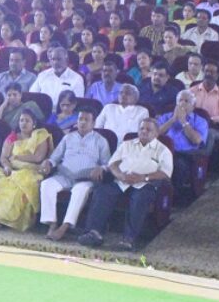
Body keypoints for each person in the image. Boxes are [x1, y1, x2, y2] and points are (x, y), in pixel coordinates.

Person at [77, 117, 173, 251]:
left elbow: (165, 173)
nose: (144, 131)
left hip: (145, 183)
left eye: (148, 129)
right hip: (121, 181)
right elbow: (112, 164)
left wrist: (144, 177)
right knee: (102, 191)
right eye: (141, 128)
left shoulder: (163, 150)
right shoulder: (127, 144)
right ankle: (94, 233)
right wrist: (120, 175)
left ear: (156, 133)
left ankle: (128, 239)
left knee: (140, 198)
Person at [37, 110, 110, 240]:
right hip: (64, 175)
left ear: (93, 123)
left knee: (79, 191)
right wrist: (48, 163)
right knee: (46, 184)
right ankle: (52, 224)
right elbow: (54, 158)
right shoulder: (68, 137)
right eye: (80, 119)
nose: (82, 122)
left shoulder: (100, 140)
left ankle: (64, 226)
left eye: (86, 120)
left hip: (85, 178)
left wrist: (101, 168)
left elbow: (107, 164)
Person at [0, 109, 52, 231]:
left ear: (34, 123)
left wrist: (18, 157)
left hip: (31, 171)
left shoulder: (40, 136)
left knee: (16, 188)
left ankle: (11, 220)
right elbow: (3, 157)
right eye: (21, 120)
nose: (23, 123)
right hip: (11, 169)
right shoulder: (12, 137)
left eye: (27, 121)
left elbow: (38, 157)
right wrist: (7, 167)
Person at [157, 89, 209, 197]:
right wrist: (173, 120)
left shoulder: (200, 121)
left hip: (184, 155)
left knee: (178, 166)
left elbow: (197, 140)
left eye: (186, 101)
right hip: (161, 151)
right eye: (180, 100)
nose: (182, 104)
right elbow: (155, 134)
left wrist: (183, 121)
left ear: (193, 106)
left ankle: (171, 196)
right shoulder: (166, 117)